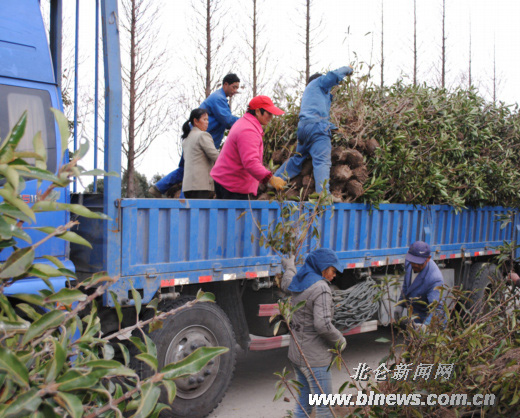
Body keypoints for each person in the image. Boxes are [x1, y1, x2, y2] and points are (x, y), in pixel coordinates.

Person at [149, 73, 241, 197]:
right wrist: (246, 122)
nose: (235, 91)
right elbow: (228, 120)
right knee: (193, 170)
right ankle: (183, 202)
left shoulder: (218, 98)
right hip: (201, 142)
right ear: (225, 84)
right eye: (234, 87)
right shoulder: (218, 99)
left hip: (192, 139)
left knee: (185, 168)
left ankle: (159, 187)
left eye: (237, 88)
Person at [280, 249, 347, 418]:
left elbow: (286, 282)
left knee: (304, 405)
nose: (334, 275)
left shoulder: (299, 281)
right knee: (325, 409)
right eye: (333, 270)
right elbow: (323, 324)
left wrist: (289, 266)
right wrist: (340, 340)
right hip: (315, 359)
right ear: (323, 267)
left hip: (297, 354)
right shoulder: (321, 288)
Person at [275, 66, 353, 203]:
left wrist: (334, 128)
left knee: (297, 158)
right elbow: (333, 75)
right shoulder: (318, 82)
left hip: (304, 128)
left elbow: (316, 114)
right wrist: (347, 69)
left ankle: (277, 178)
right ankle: (323, 194)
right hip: (317, 128)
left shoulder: (309, 93)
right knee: (322, 160)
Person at [210, 95, 286, 200]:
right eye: (269, 113)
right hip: (231, 185)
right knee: (235, 216)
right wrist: (270, 178)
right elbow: (250, 162)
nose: (271, 117)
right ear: (258, 111)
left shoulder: (245, 123)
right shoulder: (248, 130)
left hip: (227, 182)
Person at [394, 241, 446, 330]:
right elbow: (407, 286)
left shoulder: (434, 279)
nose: (415, 265)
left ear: (428, 258)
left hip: (429, 321)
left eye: (419, 263)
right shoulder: (409, 262)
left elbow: (437, 308)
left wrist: (426, 326)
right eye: (413, 261)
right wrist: (401, 304)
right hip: (414, 316)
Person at [180, 108, 219, 199]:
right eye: (204, 119)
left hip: (187, 186)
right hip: (201, 185)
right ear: (195, 121)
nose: (207, 122)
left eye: (207, 120)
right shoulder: (202, 135)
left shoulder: (186, 139)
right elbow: (216, 156)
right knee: (202, 212)